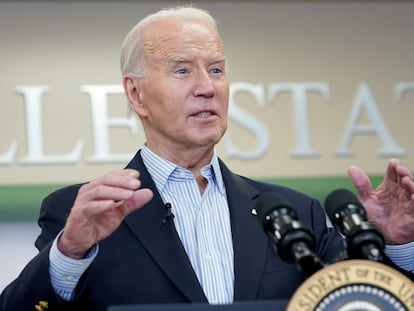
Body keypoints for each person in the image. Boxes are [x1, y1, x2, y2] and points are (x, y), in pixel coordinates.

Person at [1, 5, 414, 311]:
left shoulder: (294, 212)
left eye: (216, 70)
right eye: (182, 70)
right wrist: (69, 252)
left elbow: (369, 302)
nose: (206, 87)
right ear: (135, 93)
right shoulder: (84, 215)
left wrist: (397, 246)